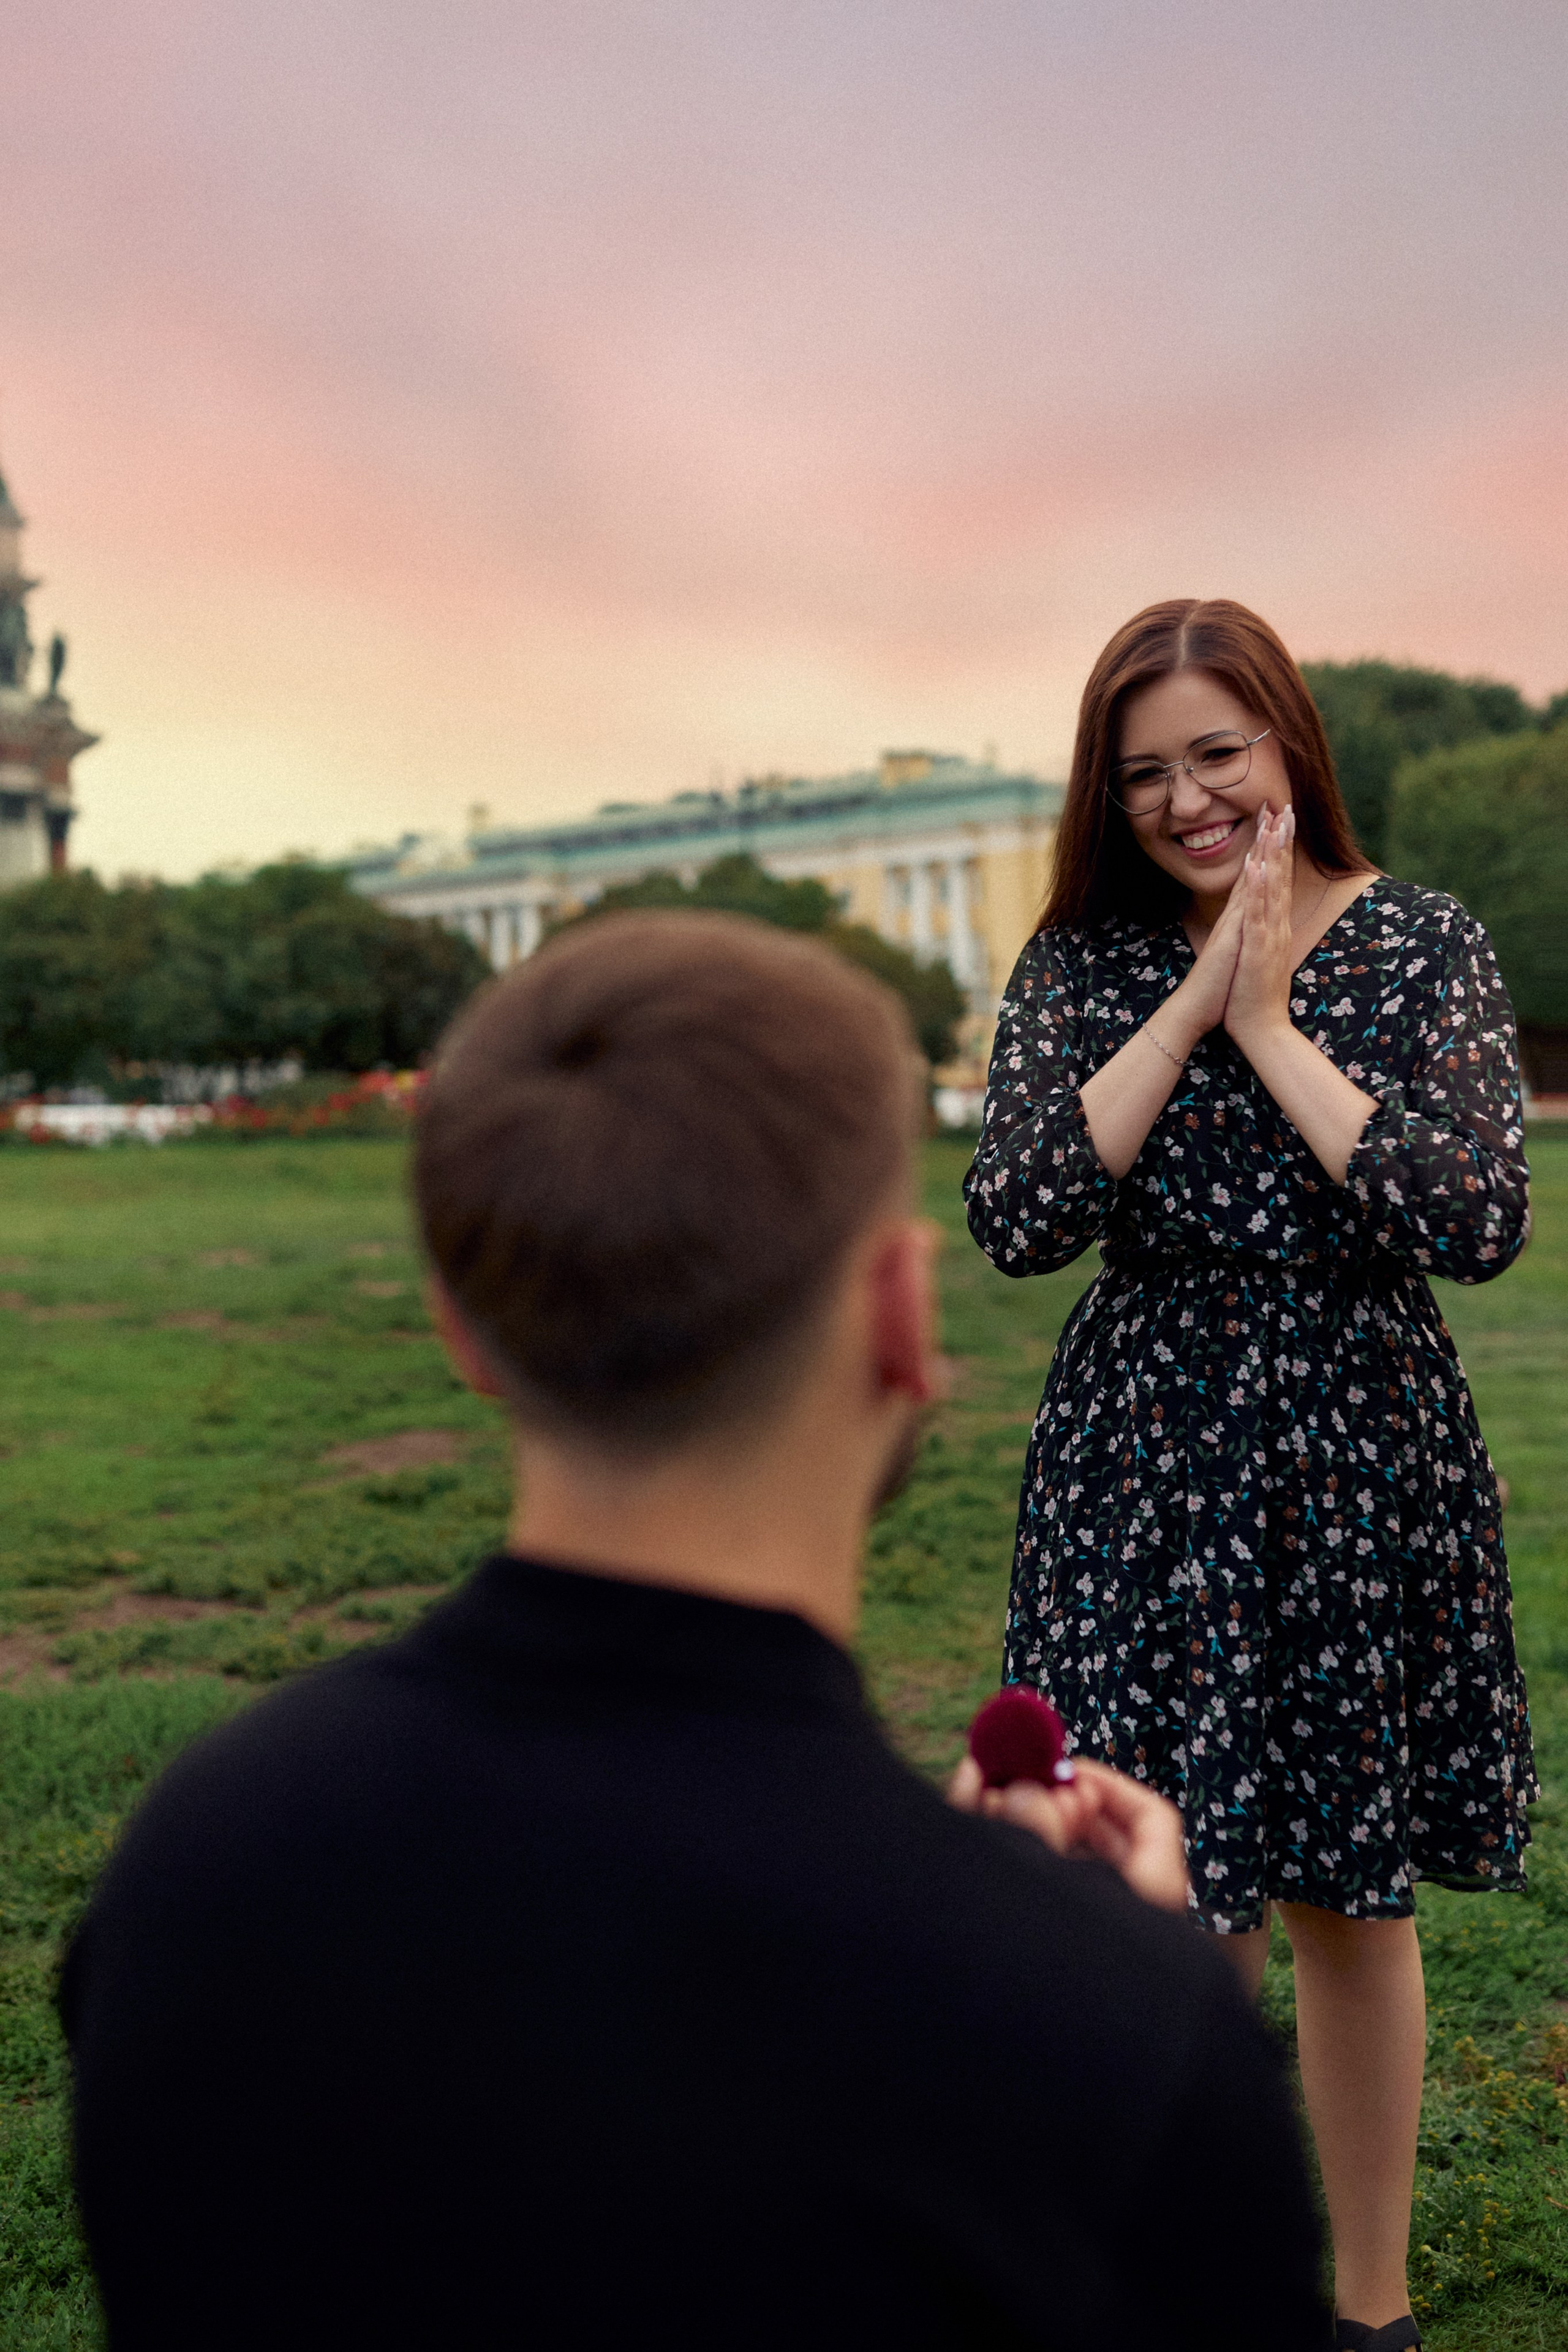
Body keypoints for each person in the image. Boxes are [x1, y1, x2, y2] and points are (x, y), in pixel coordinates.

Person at [64, 911, 1327, 2350]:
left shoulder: (195, 1861)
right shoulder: (1101, 2028)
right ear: (901, 1314)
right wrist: (1101, 1976)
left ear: (463, 1330)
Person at [966, 598, 1534, 2352]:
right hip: (1141, 1455)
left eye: (1217, 753)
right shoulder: (1081, 962)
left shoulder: (1422, 942)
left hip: (1357, 1444)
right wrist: (1190, 1001)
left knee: (1348, 1897)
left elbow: (1472, 1216)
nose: (1187, 799)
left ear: (1287, 739)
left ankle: (1368, 2312)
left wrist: (1273, 1020)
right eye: (1144, 772)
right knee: (1169, 1891)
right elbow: (1018, 1215)